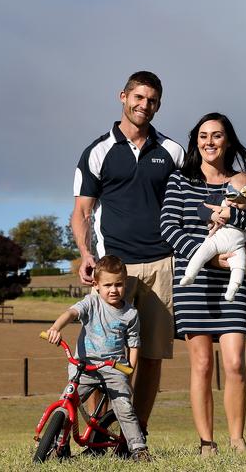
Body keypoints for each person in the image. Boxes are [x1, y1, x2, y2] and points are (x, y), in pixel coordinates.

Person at [71, 71, 185, 435]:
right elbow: (82, 211)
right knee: (99, 356)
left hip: (162, 262)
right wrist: (86, 253)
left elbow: (189, 202)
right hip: (112, 267)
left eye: (151, 100)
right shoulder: (98, 151)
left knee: (150, 355)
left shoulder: (173, 152)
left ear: (159, 105)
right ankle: (96, 433)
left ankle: (136, 434)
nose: (144, 105)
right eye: (138, 97)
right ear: (123, 97)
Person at [160, 112, 246, 455]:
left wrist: (237, 216)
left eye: (217, 135)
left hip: (232, 284)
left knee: (235, 363)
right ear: (196, 140)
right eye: (203, 135)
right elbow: (168, 228)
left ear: (228, 141)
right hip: (193, 280)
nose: (210, 142)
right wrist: (209, 257)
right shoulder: (179, 181)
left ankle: (238, 440)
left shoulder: (243, 181)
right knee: (202, 364)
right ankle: (206, 443)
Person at [45, 255, 151, 462]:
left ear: (126, 283)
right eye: (108, 285)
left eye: (119, 284)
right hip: (84, 366)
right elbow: (71, 313)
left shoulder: (130, 313)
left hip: (114, 368)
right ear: (96, 285)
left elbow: (134, 344)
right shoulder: (91, 303)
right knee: (65, 403)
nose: (113, 290)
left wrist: (129, 369)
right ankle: (58, 444)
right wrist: (55, 328)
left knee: (124, 406)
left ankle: (138, 448)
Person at [180, 171, 246, 301]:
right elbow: (201, 207)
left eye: (240, 202)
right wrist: (212, 215)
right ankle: (190, 275)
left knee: (239, 266)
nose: (234, 204)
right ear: (227, 191)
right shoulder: (216, 199)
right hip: (215, 240)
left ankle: (232, 289)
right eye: (231, 198)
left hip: (237, 247)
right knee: (201, 253)